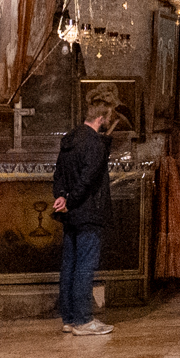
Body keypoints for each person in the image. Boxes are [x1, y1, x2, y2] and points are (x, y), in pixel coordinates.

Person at [50, 97, 114, 336]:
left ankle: (68, 318)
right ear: (100, 118)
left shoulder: (69, 139)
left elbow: (58, 175)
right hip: (88, 212)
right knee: (85, 266)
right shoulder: (94, 143)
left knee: (69, 266)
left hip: (69, 213)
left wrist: (62, 199)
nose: (108, 122)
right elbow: (87, 180)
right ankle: (84, 320)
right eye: (107, 119)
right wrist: (72, 200)